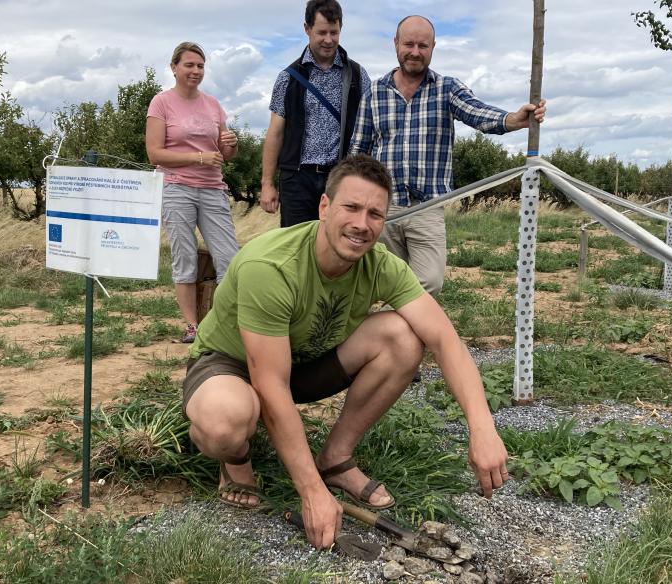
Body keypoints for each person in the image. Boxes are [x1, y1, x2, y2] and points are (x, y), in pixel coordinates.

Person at [183, 155, 510, 550]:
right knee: (225, 421)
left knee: (404, 337)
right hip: (233, 365)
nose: (362, 224)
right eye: (351, 207)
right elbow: (270, 383)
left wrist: (482, 428)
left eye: (375, 213)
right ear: (324, 207)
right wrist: (310, 492)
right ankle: (236, 461)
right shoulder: (270, 265)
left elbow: (445, 340)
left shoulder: (382, 265)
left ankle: (335, 458)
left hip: (303, 363)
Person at [350, 15, 547, 296]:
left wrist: (513, 119)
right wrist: (346, 196)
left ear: (433, 48)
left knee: (429, 281)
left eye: (423, 45)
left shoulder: (447, 88)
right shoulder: (374, 92)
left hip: (428, 205)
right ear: (395, 43)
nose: (415, 52)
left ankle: (402, 329)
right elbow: (359, 152)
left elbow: (476, 112)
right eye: (409, 44)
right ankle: (401, 338)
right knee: (382, 282)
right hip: (384, 207)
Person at [146, 42, 240, 343]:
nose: (195, 71)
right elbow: (154, 154)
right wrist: (197, 158)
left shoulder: (213, 105)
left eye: (200, 66)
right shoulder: (161, 103)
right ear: (174, 67)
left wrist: (232, 144)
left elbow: (225, 154)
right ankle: (192, 327)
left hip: (212, 188)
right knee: (184, 257)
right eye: (189, 65)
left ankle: (221, 322)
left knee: (229, 258)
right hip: (176, 186)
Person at [259, 0, 371, 227]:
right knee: (295, 246)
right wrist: (267, 184)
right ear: (307, 29)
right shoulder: (287, 78)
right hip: (297, 178)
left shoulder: (358, 76)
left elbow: (369, 128)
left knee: (337, 245)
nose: (328, 40)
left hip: (340, 178)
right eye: (321, 32)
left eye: (334, 32)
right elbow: (276, 133)